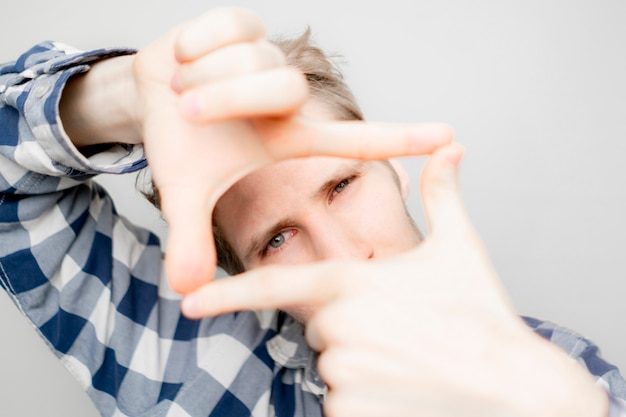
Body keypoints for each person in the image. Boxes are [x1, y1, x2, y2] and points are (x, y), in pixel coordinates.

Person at [0, 6, 624, 417]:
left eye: (341, 187)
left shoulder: (568, 374)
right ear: (243, 279)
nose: (345, 257)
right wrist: (120, 97)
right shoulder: (180, 361)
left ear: (391, 170)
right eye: (276, 239)